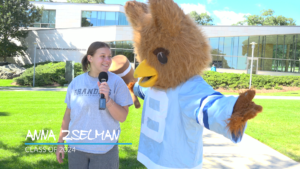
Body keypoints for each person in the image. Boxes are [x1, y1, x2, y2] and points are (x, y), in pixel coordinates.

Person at [55, 41, 133, 169]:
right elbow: (68, 114)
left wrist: (108, 100)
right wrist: (60, 142)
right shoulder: (76, 82)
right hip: (76, 148)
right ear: (90, 58)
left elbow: (122, 117)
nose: (107, 60)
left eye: (109, 56)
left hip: (105, 150)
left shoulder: (117, 82)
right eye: (102, 56)